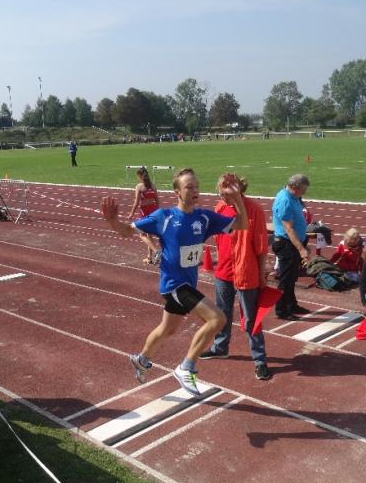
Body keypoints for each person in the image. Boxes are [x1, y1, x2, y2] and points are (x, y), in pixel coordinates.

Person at [101, 168, 248, 396]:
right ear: (177, 192)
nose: (195, 190)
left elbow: (241, 224)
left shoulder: (205, 218)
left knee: (167, 329)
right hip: (174, 285)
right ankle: (186, 367)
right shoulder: (164, 217)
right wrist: (113, 221)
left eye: (197, 186)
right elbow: (128, 231)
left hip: (188, 285)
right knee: (218, 318)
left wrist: (237, 197)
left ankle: (142, 359)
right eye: (189, 187)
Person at [200, 173, 272, 381]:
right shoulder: (220, 208)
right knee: (222, 314)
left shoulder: (254, 210)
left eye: (227, 192)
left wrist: (261, 274)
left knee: (251, 319)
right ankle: (220, 347)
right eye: (220, 192)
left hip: (246, 272)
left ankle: (259, 360)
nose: (223, 196)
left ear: (238, 191)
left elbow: (261, 246)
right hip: (224, 272)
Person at [271, 174, 311, 320]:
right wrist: (301, 249)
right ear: (294, 187)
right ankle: (281, 310)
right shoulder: (285, 200)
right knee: (286, 279)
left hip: (292, 243)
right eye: (303, 189)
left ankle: (291, 305)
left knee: (292, 278)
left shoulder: (294, 196)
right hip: (286, 244)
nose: (304, 192)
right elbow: (288, 228)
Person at [129, 166, 161, 264]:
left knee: (141, 234)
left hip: (145, 212)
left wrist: (131, 213)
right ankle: (149, 257)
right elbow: (157, 200)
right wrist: (158, 212)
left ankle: (156, 251)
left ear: (139, 176)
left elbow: (136, 202)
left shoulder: (139, 187)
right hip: (154, 211)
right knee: (149, 234)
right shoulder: (153, 186)